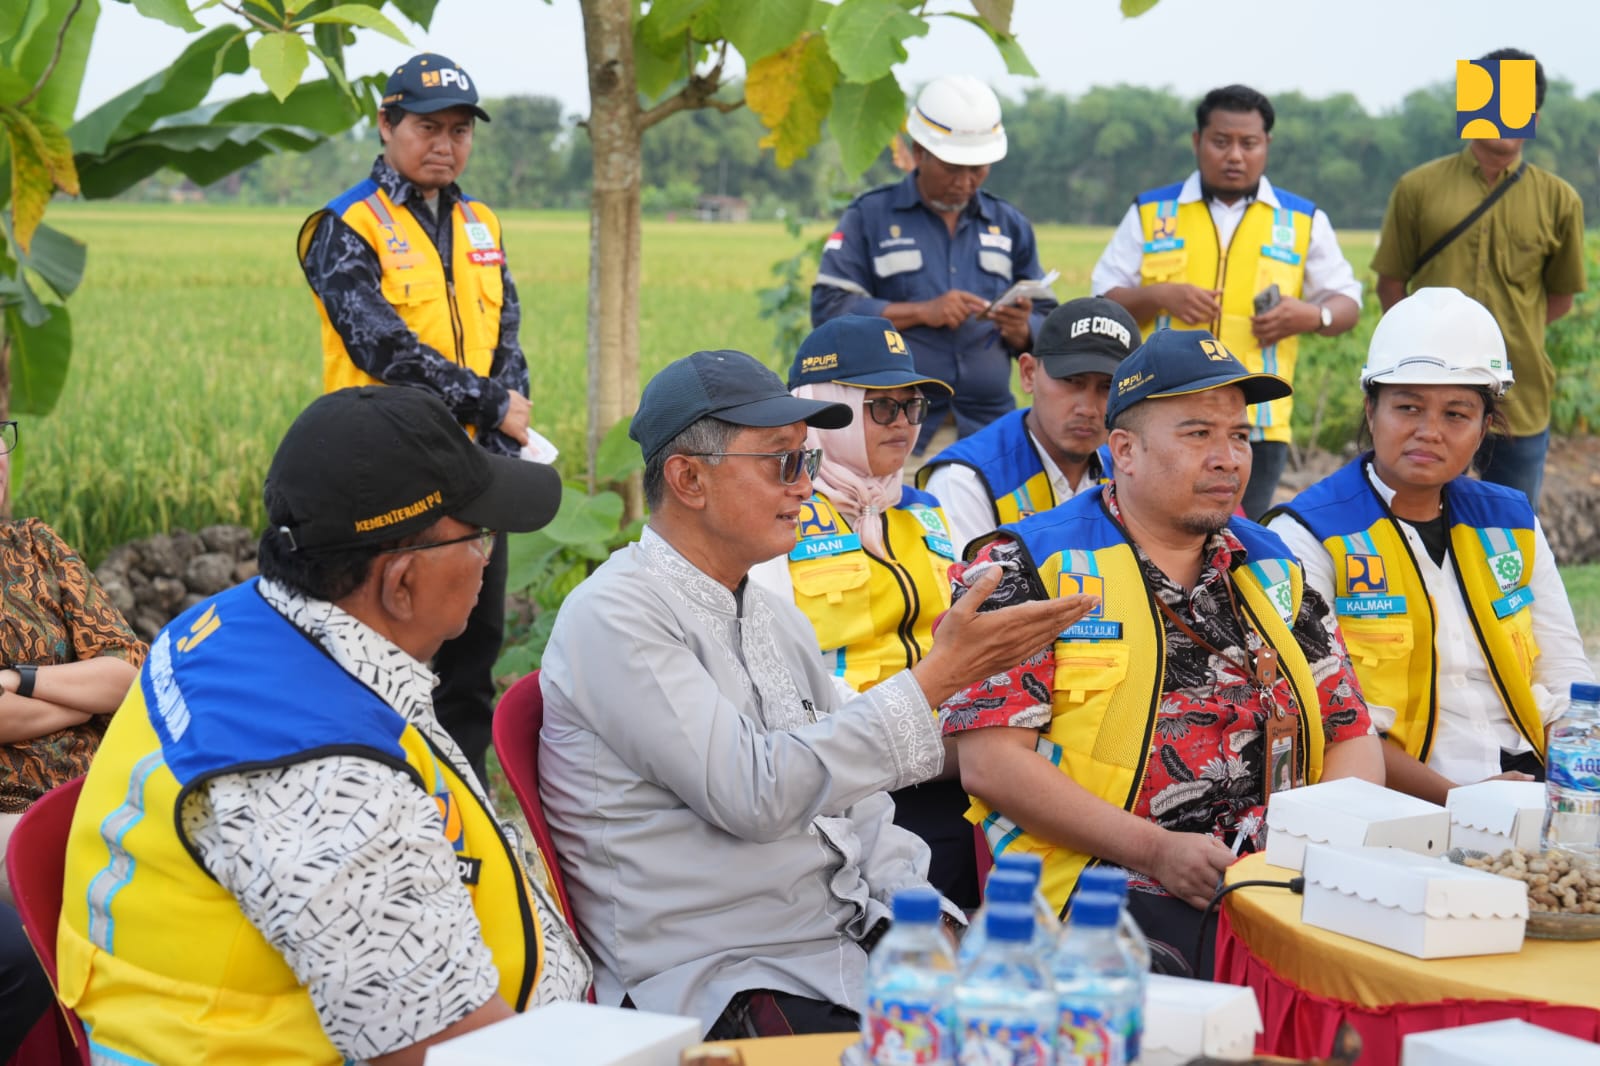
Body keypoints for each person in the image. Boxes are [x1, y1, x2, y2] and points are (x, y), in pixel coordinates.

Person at [538, 349, 1094, 1036]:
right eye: (784, 463)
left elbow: (860, 810)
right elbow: (754, 793)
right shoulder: (618, 615)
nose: (807, 486)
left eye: (808, 461)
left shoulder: (767, 613)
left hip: (838, 942)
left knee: (1057, 1011)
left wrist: (928, 922)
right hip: (718, 973)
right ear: (688, 478)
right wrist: (936, 680)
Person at [57, 387, 590, 1066]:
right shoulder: (321, 779)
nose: (489, 559)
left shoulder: (234, 621)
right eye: (478, 535)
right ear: (400, 583)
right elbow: (442, 1047)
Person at [945, 329, 1384, 978]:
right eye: (1198, 434)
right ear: (1123, 450)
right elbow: (989, 764)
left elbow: (1351, 731)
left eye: (1238, 435)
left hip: (1278, 872)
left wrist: (1316, 844)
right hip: (1099, 892)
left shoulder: (1270, 564)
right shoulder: (1026, 564)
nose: (1228, 458)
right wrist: (1156, 851)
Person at [1266, 288, 1595, 803]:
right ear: (1371, 410)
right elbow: (1324, 716)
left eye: (1456, 415)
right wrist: (1461, 802)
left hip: (1528, 786)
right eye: (1408, 407)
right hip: (1396, 801)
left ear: (1486, 426)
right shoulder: (1308, 534)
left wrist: (1571, 781)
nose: (1429, 432)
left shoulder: (1511, 520)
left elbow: (1564, 672)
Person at [297, 52, 529, 780]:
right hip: (385, 473)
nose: (445, 144)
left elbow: (507, 340)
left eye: (460, 130)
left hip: (475, 474)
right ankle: (363, 785)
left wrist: (502, 426)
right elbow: (383, 347)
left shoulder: (480, 223)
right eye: (428, 126)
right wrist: (492, 403)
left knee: (473, 650)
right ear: (386, 123)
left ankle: (463, 805)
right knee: (382, 649)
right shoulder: (345, 226)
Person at [747, 315, 978, 906]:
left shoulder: (922, 511)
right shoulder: (781, 517)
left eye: (914, 406)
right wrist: (909, 730)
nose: (903, 423)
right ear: (825, 408)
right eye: (882, 407)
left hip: (949, 754)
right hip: (846, 765)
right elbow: (771, 670)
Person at [1091, 84, 1362, 519]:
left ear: (1266, 145)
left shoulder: (1300, 220)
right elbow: (1104, 300)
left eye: (1248, 143)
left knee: (1238, 539)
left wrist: (1311, 315)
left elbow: (1348, 301)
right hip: (1161, 412)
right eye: (1221, 142)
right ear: (1198, 142)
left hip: (1258, 421)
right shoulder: (1152, 212)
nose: (1235, 155)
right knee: (1155, 525)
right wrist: (1159, 296)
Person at [1372, 49, 1586, 510]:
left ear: (1534, 113)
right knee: (1409, 519)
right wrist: (1424, 350)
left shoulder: (1559, 200)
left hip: (1520, 394)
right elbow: (1391, 284)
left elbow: (1561, 298)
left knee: (1509, 528)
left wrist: (1499, 343)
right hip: (1424, 394)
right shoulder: (1417, 188)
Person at [0, 418, 145, 1058]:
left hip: (104, 789)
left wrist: (18, 679)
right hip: (13, 811)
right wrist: (76, 698)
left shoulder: (35, 545)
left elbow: (128, 675)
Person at [812, 76, 1057, 453]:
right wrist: (922, 312)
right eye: (953, 167)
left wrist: (1023, 329)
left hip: (990, 432)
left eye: (978, 168)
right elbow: (830, 309)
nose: (965, 181)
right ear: (919, 151)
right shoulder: (870, 216)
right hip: (898, 430)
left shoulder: (1009, 224)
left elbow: (1049, 323)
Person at [919, 297, 1141, 556]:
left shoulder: (1129, 471)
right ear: (1028, 373)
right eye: (1071, 380)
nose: (1088, 408)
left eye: (1108, 387)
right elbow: (964, 594)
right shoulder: (964, 481)